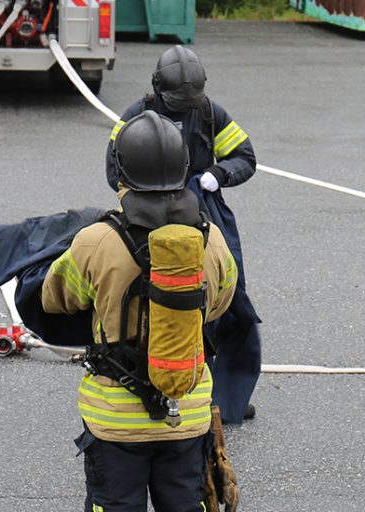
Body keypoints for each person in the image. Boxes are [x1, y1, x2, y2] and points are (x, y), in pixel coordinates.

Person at [42, 111, 238, 511]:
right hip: (187, 410)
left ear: (121, 170)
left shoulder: (96, 240)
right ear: (184, 168)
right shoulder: (211, 238)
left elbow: (55, 298)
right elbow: (220, 302)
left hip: (115, 420)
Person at [105, 45, 262, 424]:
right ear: (159, 88)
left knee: (223, 297)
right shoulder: (136, 116)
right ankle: (150, 379)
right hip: (147, 217)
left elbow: (245, 156)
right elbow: (114, 170)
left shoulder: (208, 113)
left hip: (204, 213)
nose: (184, 108)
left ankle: (220, 394)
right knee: (153, 299)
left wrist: (219, 175)